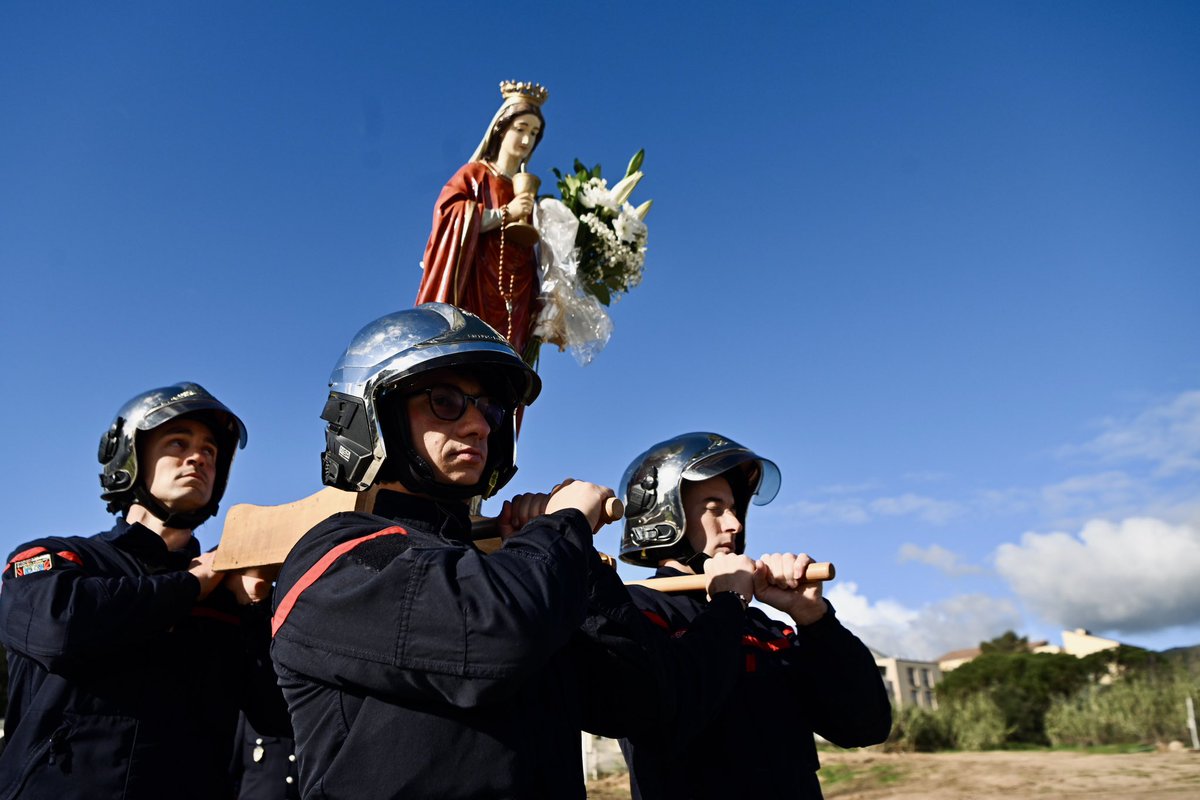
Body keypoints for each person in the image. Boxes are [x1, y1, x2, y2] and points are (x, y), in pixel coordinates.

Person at [270, 304, 755, 799]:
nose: (480, 426)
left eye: (490, 409)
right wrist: (563, 526)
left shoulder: (509, 572)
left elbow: (649, 702)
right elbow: (491, 636)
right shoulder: (336, 557)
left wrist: (579, 562)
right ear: (377, 412)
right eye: (445, 401)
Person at [0, 382, 291, 799]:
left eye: (211, 451)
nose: (199, 458)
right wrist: (190, 585)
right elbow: (58, 626)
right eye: (178, 443)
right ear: (129, 456)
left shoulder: (228, 595)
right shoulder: (56, 558)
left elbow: (278, 717)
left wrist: (256, 610)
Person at [616, 432, 893, 800]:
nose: (735, 524)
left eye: (734, 509)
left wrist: (816, 620)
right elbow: (667, 719)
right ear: (664, 514)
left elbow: (865, 726)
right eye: (715, 508)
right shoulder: (634, 610)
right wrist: (729, 601)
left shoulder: (764, 628)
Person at [415, 80, 547, 360]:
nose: (526, 140)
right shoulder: (475, 174)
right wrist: (504, 214)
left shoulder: (528, 191)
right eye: (520, 129)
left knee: (506, 363)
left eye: (534, 133)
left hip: (517, 293)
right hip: (475, 283)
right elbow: (448, 213)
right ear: (501, 128)